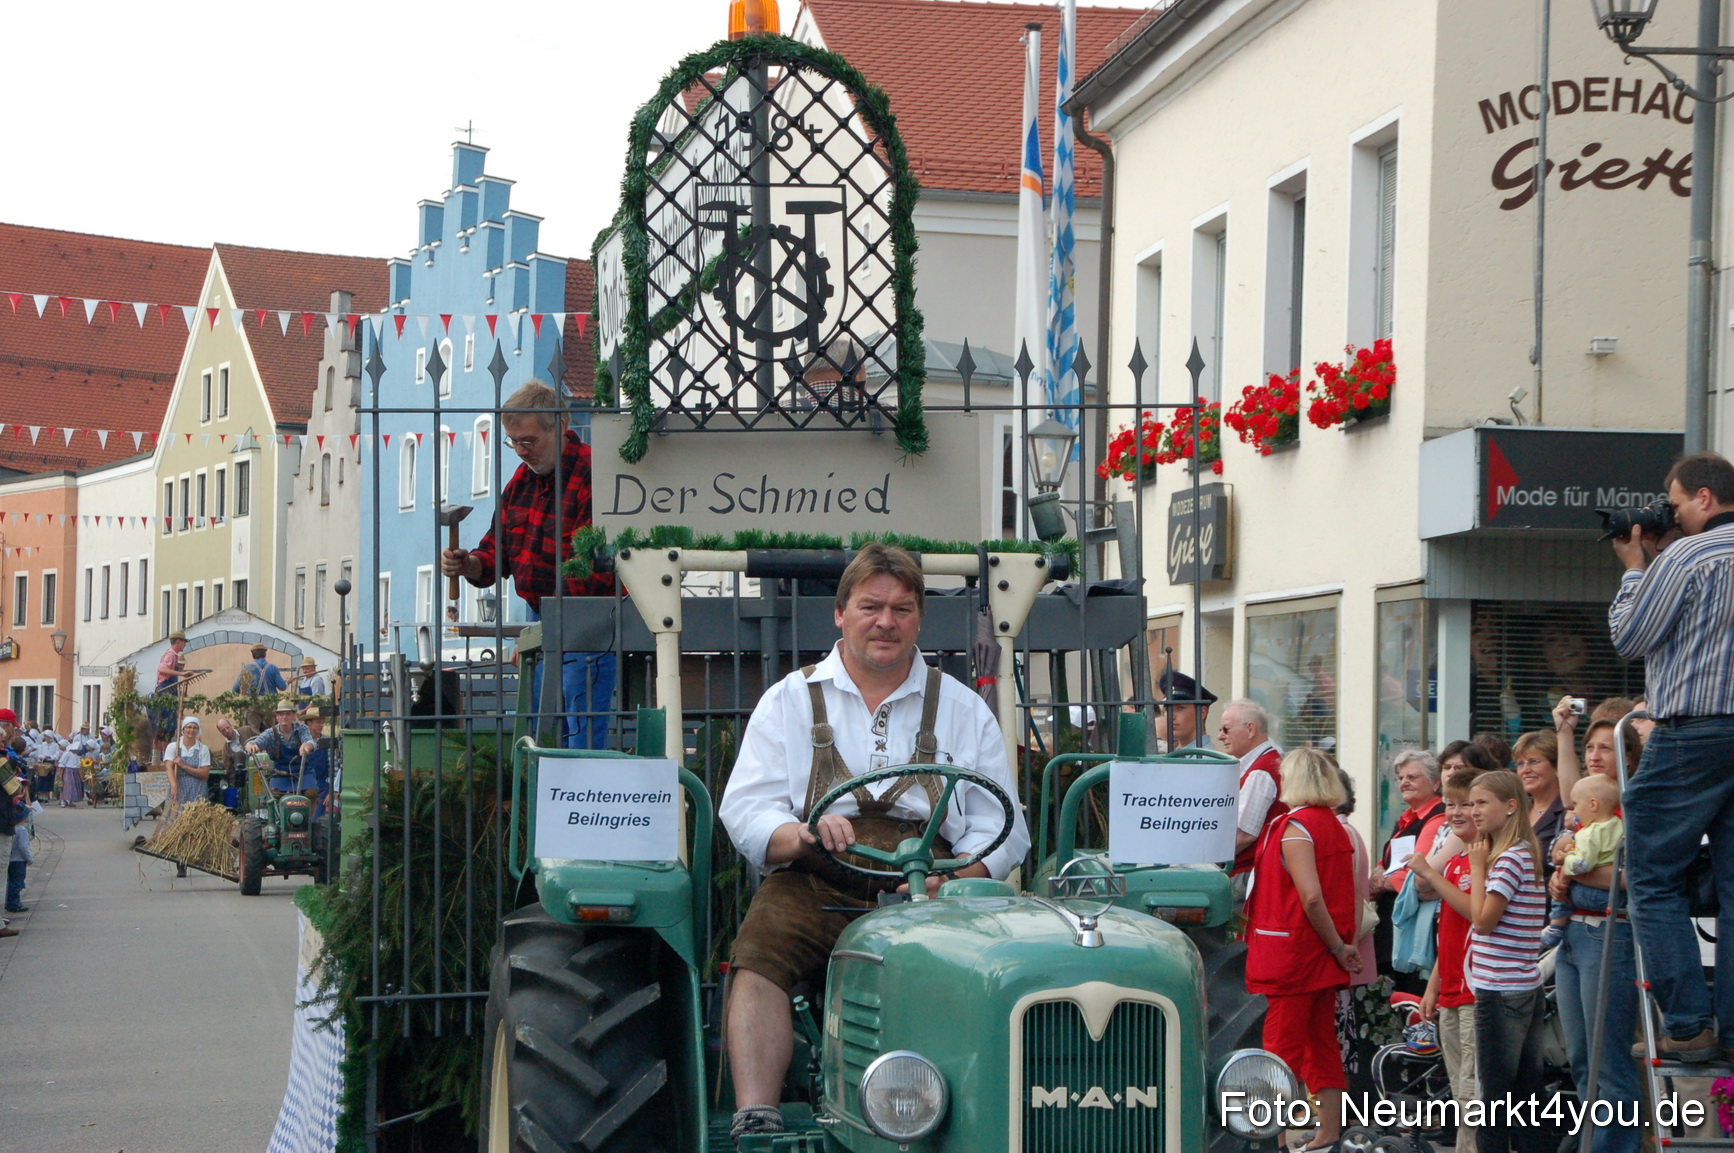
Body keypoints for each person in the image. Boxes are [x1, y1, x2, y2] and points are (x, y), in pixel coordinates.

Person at [716, 544, 1029, 1144]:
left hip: (930, 889)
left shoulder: (963, 707)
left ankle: (962, 1115)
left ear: (918, 620)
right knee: (759, 956)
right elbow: (746, 807)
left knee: (976, 973)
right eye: (871, 606)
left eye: (902, 609)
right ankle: (756, 1116)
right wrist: (800, 835)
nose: (886, 621)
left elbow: (1004, 823)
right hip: (815, 878)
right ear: (840, 613)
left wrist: (959, 879)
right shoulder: (789, 699)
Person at [1607, 456, 1734, 1064]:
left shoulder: (1687, 558)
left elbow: (1631, 639)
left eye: (1675, 502)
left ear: (1705, 498)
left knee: (1652, 877)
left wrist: (1637, 569)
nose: (1670, 513)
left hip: (1694, 732)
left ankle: (1688, 1024)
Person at [440, 380, 616, 750]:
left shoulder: (594, 474)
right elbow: (493, 557)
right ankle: (547, 799)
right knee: (540, 733)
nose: (521, 451)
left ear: (562, 426)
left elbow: (591, 572)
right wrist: (466, 563)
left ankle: (582, 798)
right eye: (513, 442)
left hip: (592, 623)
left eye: (529, 441)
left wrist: (543, 632)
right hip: (546, 621)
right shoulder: (521, 483)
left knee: (581, 737)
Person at [1244, 747, 1361, 1152]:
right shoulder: (1331, 824)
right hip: (1317, 955)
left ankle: (1270, 1136)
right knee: (1320, 1043)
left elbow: (1311, 898)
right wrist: (1338, 946)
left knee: (1281, 1047)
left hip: (1294, 954)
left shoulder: (1296, 827)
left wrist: (1337, 946)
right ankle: (1329, 1129)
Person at [1548, 775, 1641, 1153]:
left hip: (1607, 933)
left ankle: (1613, 1145)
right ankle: (1590, 1141)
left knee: (1609, 1059)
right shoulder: (1587, 812)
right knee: (1581, 1057)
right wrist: (1560, 864)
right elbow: (1560, 850)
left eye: (1605, 746)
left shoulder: (1631, 814)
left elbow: (1634, 878)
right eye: (1591, 747)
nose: (1597, 754)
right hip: (1573, 933)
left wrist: (1570, 870)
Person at [1464, 770, 1549, 1153]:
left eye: (1482, 802)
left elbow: (1482, 920)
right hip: (1522, 985)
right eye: (1471, 802)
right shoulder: (1524, 853)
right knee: (1526, 1090)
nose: (1473, 811)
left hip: (1501, 990)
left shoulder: (1509, 859)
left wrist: (1477, 866)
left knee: (1495, 1094)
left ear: (1510, 806)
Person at [1408, 765, 1485, 1153]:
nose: (1455, 812)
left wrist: (1428, 874)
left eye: (1467, 804)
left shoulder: (1482, 859)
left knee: (1472, 1092)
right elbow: (1449, 935)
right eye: (1450, 804)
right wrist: (1433, 987)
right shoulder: (1455, 861)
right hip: (1451, 989)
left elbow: (1475, 914)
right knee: (1459, 1091)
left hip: (1475, 991)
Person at [1369, 748, 1446, 995]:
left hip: (1415, 927)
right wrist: (1378, 872)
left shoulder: (1438, 817)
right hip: (1396, 921)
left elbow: (1417, 869)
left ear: (1435, 782)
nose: (1404, 783)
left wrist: (1381, 883)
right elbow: (1390, 862)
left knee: (1413, 996)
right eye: (1400, 778)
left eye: (1412, 777)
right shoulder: (1406, 819)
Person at [1332, 767, 1378, 1099]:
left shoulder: (1340, 834)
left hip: (1340, 951)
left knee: (1336, 1042)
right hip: (1347, 949)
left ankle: (1329, 1119)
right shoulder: (1347, 831)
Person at [1543, 774, 1623, 949]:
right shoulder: (1619, 825)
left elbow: (1582, 865)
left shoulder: (1589, 833)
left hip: (1592, 898)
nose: (1574, 812)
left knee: (1564, 880)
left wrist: (1565, 860)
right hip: (1612, 897)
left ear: (1593, 804)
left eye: (1576, 805)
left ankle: (1556, 923)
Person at [1218, 698, 1285, 875]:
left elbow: (1243, 835)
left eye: (1226, 729)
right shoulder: (1266, 763)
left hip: (1245, 872)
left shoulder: (1261, 772)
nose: (1220, 736)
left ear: (1250, 729)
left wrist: (1207, 860)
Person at [1511, 730, 1566, 876]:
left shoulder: (1569, 811)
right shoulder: (1516, 811)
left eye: (1534, 762)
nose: (1525, 770)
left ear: (1556, 766)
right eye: (1520, 764)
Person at [244, 700, 318, 804]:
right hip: (280, 772)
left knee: (311, 793)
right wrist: (250, 746)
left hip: (302, 771)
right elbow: (254, 742)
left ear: (293, 716)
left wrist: (308, 745)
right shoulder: (270, 733)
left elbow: (311, 742)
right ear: (277, 717)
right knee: (273, 797)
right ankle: (277, 819)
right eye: (281, 714)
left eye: (288, 714)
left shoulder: (301, 729)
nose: (284, 717)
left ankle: (307, 820)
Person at [1155, 668, 1216, 750]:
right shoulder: (1176, 753)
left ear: (1202, 712)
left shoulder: (1208, 760)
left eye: (1180, 708)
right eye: (1167, 709)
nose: (1171, 716)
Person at [164, 718, 213, 809]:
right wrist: (173, 784)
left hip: (197, 790)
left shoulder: (203, 749)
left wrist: (184, 766)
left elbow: (205, 774)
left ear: (198, 730)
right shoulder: (173, 747)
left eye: (195, 728)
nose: (191, 730)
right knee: (174, 817)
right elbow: (168, 767)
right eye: (189, 727)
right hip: (179, 788)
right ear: (183, 729)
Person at [300, 706, 332, 817]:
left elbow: (333, 769)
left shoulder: (327, 743)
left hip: (321, 789)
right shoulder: (299, 742)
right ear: (309, 723)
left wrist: (331, 791)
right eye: (318, 722)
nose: (321, 725)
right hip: (301, 788)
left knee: (316, 822)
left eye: (322, 722)